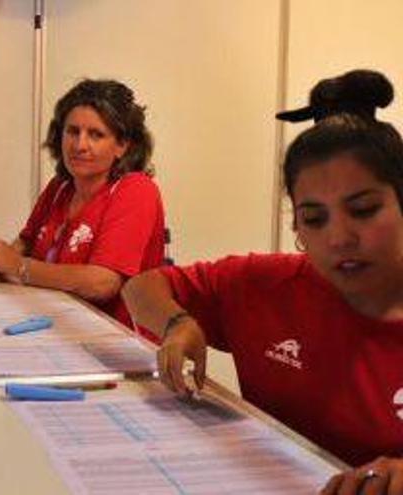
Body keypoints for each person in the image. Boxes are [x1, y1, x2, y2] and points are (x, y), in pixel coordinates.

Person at [122, 70, 403, 494]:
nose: (339, 237)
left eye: (363, 210)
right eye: (314, 218)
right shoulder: (266, 284)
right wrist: (178, 323)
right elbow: (141, 287)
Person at [0, 78, 166, 328]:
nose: (80, 145)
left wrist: (19, 267)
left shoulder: (136, 190)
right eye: (72, 131)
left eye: (96, 135)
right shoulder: (61, 187)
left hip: (116, 341)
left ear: (122, 145)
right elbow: (26, 243)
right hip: (54, 325)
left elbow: (103, 282)